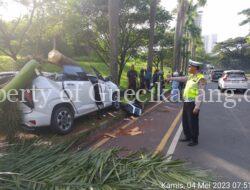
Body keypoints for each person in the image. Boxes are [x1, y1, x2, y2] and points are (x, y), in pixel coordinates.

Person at [166, 60, 206, 146]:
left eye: (190, 66)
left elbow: (201, 93)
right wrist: (171, 78)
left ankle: (194, 139)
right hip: (187, 102)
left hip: (193, 103)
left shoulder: (201, 78)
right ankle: (187, 136)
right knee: (185, 120)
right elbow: (182, 78)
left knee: (193, 122)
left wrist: (197, 106)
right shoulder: (191, 76)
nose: (188, 68)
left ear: (195, 68)